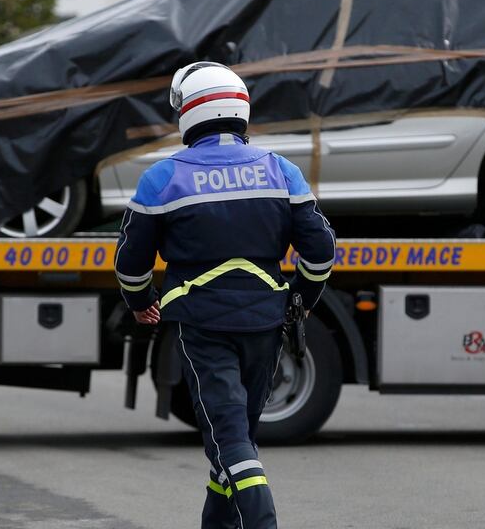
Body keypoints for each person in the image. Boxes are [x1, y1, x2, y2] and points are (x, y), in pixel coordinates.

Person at [115, 62, 335, 528]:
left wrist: (139, 302)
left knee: (230, 440)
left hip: (202, 325)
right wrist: (302, 295)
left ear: (189, 113)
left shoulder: (163, 177)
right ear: (239, 110)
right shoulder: (281, 171)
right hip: (266, 321)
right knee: (235, 443)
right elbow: (321, 250)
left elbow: (130, 262)